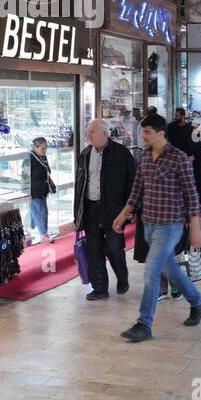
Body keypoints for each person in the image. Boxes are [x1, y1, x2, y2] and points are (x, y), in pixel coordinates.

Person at [114, 114, 201, 343]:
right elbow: (137, 191)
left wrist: (195, 228)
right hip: (148, 225)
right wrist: (122, 215)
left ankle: (144, 323)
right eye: (142, 131)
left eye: (147, 132)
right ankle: (199, 303)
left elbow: (191, 194)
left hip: (171, 226)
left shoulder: (178, 158)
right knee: (171, 270)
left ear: (160, 133)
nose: (143, 136)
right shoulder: (145, 157)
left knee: (151, 271)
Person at [74, 119, 137, 300]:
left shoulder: (121, 153)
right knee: (94, 250)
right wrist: (77, 214)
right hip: (90, 209)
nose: (89, 135)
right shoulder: (85, 154)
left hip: (115, 210)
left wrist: (130, 208)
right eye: (88, 131)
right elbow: (80, 185)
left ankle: (122, 277)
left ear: (105, 134)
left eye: (93, 131)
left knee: (113, 248)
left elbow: (132, 181)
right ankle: (99, 288)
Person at [27, 137, 56, 244]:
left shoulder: (42, 157)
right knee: (41, 212)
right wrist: (27, 192)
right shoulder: (29, 158)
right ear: (35, 147)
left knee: (36, 211)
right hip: (34, 191)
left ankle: (28, 231)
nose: (45, 151)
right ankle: (44, 234)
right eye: (43, 149)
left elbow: (47, 170)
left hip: (43, 189)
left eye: (46, 148)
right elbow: (25, 176)